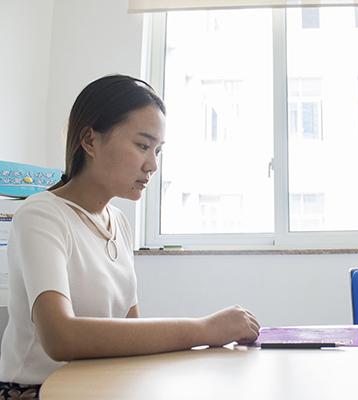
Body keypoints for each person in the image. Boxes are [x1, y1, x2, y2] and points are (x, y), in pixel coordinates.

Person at [0, 75, 260, 397]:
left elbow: (131, 333)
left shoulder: (118, 222)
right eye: (142, 145)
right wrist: (204, 329)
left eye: (158, 150)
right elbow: (61, 338)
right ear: (90, 141)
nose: (152, 165)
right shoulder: (41, 215)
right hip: (37, 389)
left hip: (100, 386)